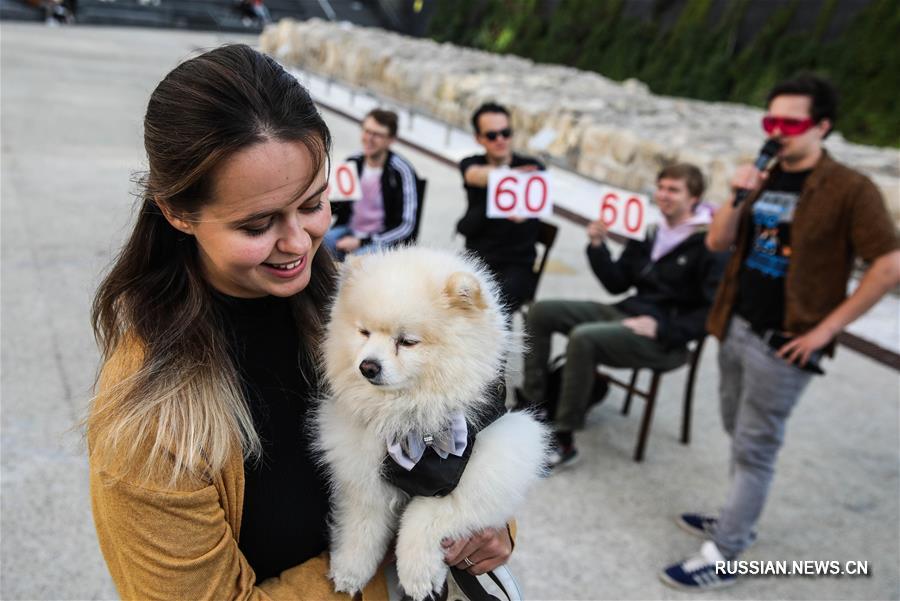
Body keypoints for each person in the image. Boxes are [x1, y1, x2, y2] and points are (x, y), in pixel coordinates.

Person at [86, 44, 513, 600]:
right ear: (177, 211)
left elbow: (474, 415)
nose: (298, 244)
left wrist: (484, 515)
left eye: (312, 204)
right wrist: (382, 554)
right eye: (258, 223)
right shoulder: (147, 424)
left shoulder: (354, 300)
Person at [660, 74, 900, 591]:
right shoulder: (765, 175)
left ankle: (727, 549)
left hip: (785, 342)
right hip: (737, 324)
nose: (778, 132)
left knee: (756, 446)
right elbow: (719, 240)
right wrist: (740, 193)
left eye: (791, 123)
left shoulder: (850, 190)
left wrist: (825, 331)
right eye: (772, 121)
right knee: (737, 428)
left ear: (823, 126)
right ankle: (735, 517)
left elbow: (888, 264)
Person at [519, 164, 726, 470]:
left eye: (674, 190)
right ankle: (535, 404)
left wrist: (662, 328)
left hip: (665, 338)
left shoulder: (711, 244)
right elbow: (617, 281)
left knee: (584, 338)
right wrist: (598, 246)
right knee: (540, 311)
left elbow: (712, 313)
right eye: (661, 187)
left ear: (694, 197)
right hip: (627, 311)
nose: (664, 195)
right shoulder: (651, 230)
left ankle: (563, 438)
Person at [457, 102, 544, 313]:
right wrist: (509, 178)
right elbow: (472, 174)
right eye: (492, 135)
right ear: (479, 138)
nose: (500, 140)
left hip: (516, 265)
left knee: (493, 305)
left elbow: (538, 205)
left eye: (505, 133)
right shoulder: (473, 163)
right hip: (477, 260)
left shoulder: (532, 167)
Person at [324, 108, 421, 261]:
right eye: (367, 131)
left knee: (359, 262)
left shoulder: (401, 171)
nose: (369, 138)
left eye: (377, 135)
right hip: (348, 230)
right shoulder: (352, 162)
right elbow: (332, 205)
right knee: (319, 244)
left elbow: (406, 225)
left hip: (381, 239)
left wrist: (362, 242)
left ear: (391, 140)